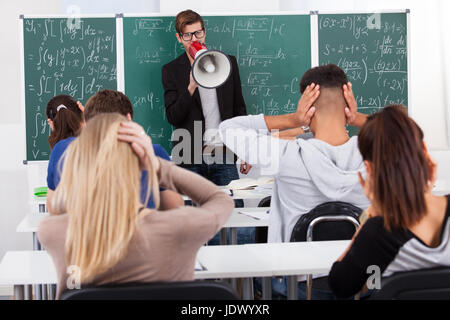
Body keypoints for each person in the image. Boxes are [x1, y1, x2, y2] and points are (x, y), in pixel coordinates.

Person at [37, 113, 234, 299]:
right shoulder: (179, 227)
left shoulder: (55, 232)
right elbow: (220, 199)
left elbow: (59, 203)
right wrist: (157, 165)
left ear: (80, 164)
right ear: (139, 166)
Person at [219, 64, 370, 299]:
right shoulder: (376, 155)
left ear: (308, 109)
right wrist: (358, 118)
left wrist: (294, 119)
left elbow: (227, 128)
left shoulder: (285, 156)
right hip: (361, 283)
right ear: (348, 104)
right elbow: (410, 134)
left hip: (297, 285)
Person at [328, 105, 450, 299]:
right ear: (424, 150)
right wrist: (425, 190)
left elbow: (340, 285)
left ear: (368, 168)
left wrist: (374, 212)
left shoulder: (377, 232)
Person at [162, 9, 252, 244]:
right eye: (188, 35)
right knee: (195, 230)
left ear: (205, 31)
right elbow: (173, 116)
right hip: (189, 156)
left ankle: (238, 278)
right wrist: (191, 86)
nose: (195, 39)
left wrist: (246, 149)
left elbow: (239, 110)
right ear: (179, 38)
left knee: (238, 226)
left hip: (223, 154)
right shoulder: (171, 71)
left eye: (198, 32)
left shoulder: (226, 63)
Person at [46, 89, 183, 213]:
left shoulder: (63, 150)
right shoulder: (153, 152)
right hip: (142, 237)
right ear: (128, 118)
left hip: (88, 239)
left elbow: (53, 207)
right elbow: (176, 206)